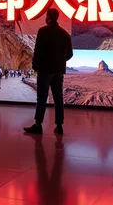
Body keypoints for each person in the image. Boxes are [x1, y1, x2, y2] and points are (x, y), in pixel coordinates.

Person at [24, 8, 73, 136]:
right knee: (58, 98)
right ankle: (59, 126)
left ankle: (38, 125)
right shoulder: (64, 34)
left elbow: (37, 51)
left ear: (48, 17)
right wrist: (60, 61)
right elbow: (70, 54)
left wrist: (35, 66)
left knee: (42, 98)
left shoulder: (43, 31)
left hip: (45, 70)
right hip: (58, 71)